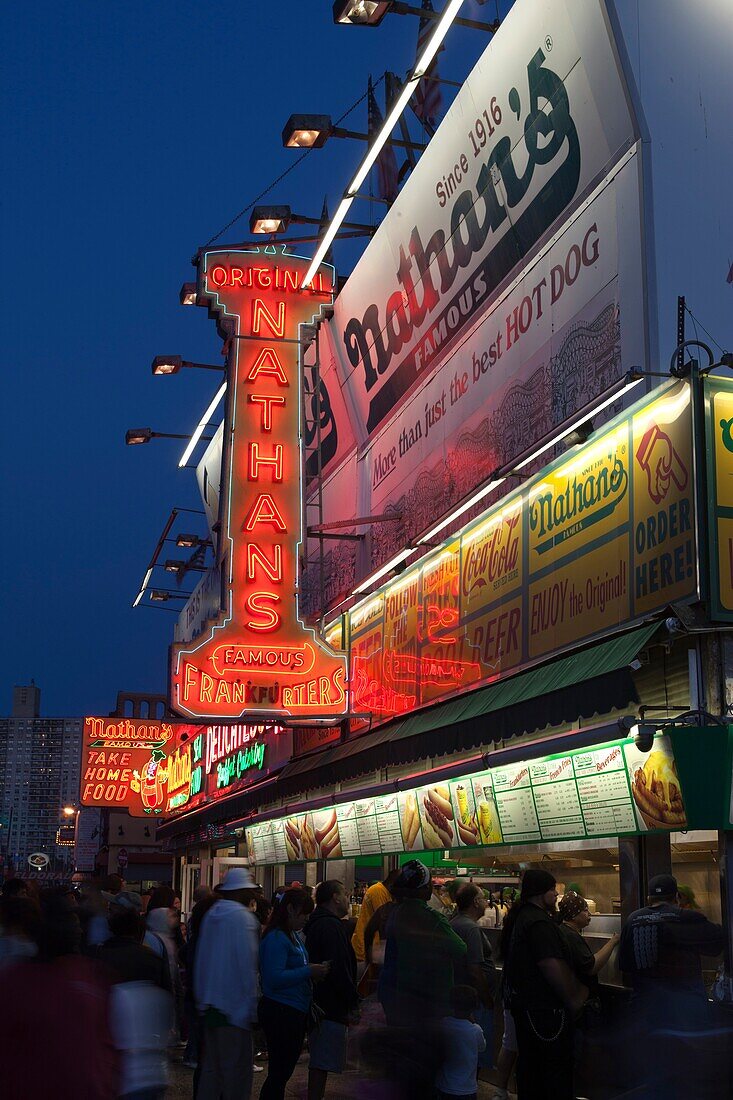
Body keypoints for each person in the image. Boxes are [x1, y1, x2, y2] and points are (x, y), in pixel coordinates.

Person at [618, 873, 725, 1094]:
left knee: (652, 1073)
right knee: (687, 1075)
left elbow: (625, 967)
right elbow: (719, 942)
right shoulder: (686, 918)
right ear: (675, 896)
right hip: (684, 1014)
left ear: (649, 897)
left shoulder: (632, 920)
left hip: (644, 1012)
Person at [501, 869, 588, 1099]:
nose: (556, 895)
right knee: (551, 1076)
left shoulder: (522, 917)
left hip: (526, 1010)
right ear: (542, 893)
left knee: (531, 1071)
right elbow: (550, 964)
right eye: (553, 890)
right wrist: (574, 997)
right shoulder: (538, 923)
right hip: (544, 1015)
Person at [194, 867, 260, 1100]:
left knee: (212, 1070)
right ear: (240, 892)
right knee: (237, 1074)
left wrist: (201, 999)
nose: (252, 896)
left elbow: (201, 958)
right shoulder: (244, 919)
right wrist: (252, 1006)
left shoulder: (213, 915)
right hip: (234, 1008)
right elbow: (247, 965)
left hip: (211, 1005)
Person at [259, 886, 330, 1100]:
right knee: (279, 1072)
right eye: (304, 913)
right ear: (290, 909)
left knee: (282, 1071)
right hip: (281, 1011)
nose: (306, 918)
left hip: (294, 1009)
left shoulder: (291, 935)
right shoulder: (276, 938)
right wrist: (308, 971)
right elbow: (274, 977)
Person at [98, 901, 173, 1100]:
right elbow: (169, 996)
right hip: (148, 1061)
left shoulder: (98, 957)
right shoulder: (152, 959)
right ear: (140, 931)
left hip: (108, 1054)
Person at [304, 880, 359, 1100]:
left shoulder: (319, 922)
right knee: (322, 1060)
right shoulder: (329, 925)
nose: (348, 899)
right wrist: (352, 1000)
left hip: (321, 1000)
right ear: (335, 897)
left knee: (321, 1058)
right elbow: (338, 967)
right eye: (345, 894)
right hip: (328, 1003)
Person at [450, 885, 496, 1075]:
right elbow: (475, 970)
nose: (486, 901)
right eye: (483, 898)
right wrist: (487, 1000)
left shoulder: (453, 923)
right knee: (473, 1055)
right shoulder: (470, 928)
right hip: (473, 1000)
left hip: (459, 997)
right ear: (475, 902)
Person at [557, 892, 619, 996]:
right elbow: (592, 967)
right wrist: (613, 941)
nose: (589, 914)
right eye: (585, 910)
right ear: (573, 915)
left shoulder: (563, 931)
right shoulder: (571, 936)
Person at [436, 985, 487, 1100]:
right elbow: (482, 1047)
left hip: (444, 1084)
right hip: (467, 1088)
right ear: (474, 1007)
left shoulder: (444, 1024)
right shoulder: (476, 1030)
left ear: (451, 1004)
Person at [351, 869, 397, 975]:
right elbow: (384, 922)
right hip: (365, 951)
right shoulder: (378, 891)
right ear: (392, 884)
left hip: (371, 950)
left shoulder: (382, 891)